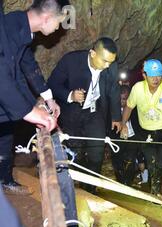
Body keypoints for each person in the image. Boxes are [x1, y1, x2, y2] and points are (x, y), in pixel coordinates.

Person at [0, 0, 67, 195]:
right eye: (58, 22)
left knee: (6, 136)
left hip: (6, 101)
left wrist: (46, 100)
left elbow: (24, 69)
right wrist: (29, 111)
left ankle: (4, 179)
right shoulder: (7, 28)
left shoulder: (22, 31)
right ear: (47, 18)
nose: (58, 28)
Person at [48, 37, 122, 194]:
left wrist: (116, 117)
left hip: (95, 113)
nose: (108, 66)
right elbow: (52, 84)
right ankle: (79, 187)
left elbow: (114, 90)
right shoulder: (71, 61)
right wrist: (70, 95)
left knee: (97, 152)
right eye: (105, 61)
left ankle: (90, 189)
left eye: (111, 62)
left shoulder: (111, 66)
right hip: (72, 114)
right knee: (77, 152)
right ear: (93, 53)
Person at [120, 59, 162, 196]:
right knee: (151, 163)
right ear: (145, 75)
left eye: (158, 75)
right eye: (152, 75)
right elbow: (129, 107)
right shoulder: (137, 88)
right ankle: (156, 192)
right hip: (146, 133)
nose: (156, 79)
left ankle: (158, 188)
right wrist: (123, 125)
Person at [110, 85, 139, 185]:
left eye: (126, 99)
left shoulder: (136, 109)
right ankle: (121, 183)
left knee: (130, 161)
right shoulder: (112, 110)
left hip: (132, 138)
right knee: (117, 163)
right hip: (117, 140)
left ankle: (128, 184)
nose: (123, 101)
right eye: (121, 99)